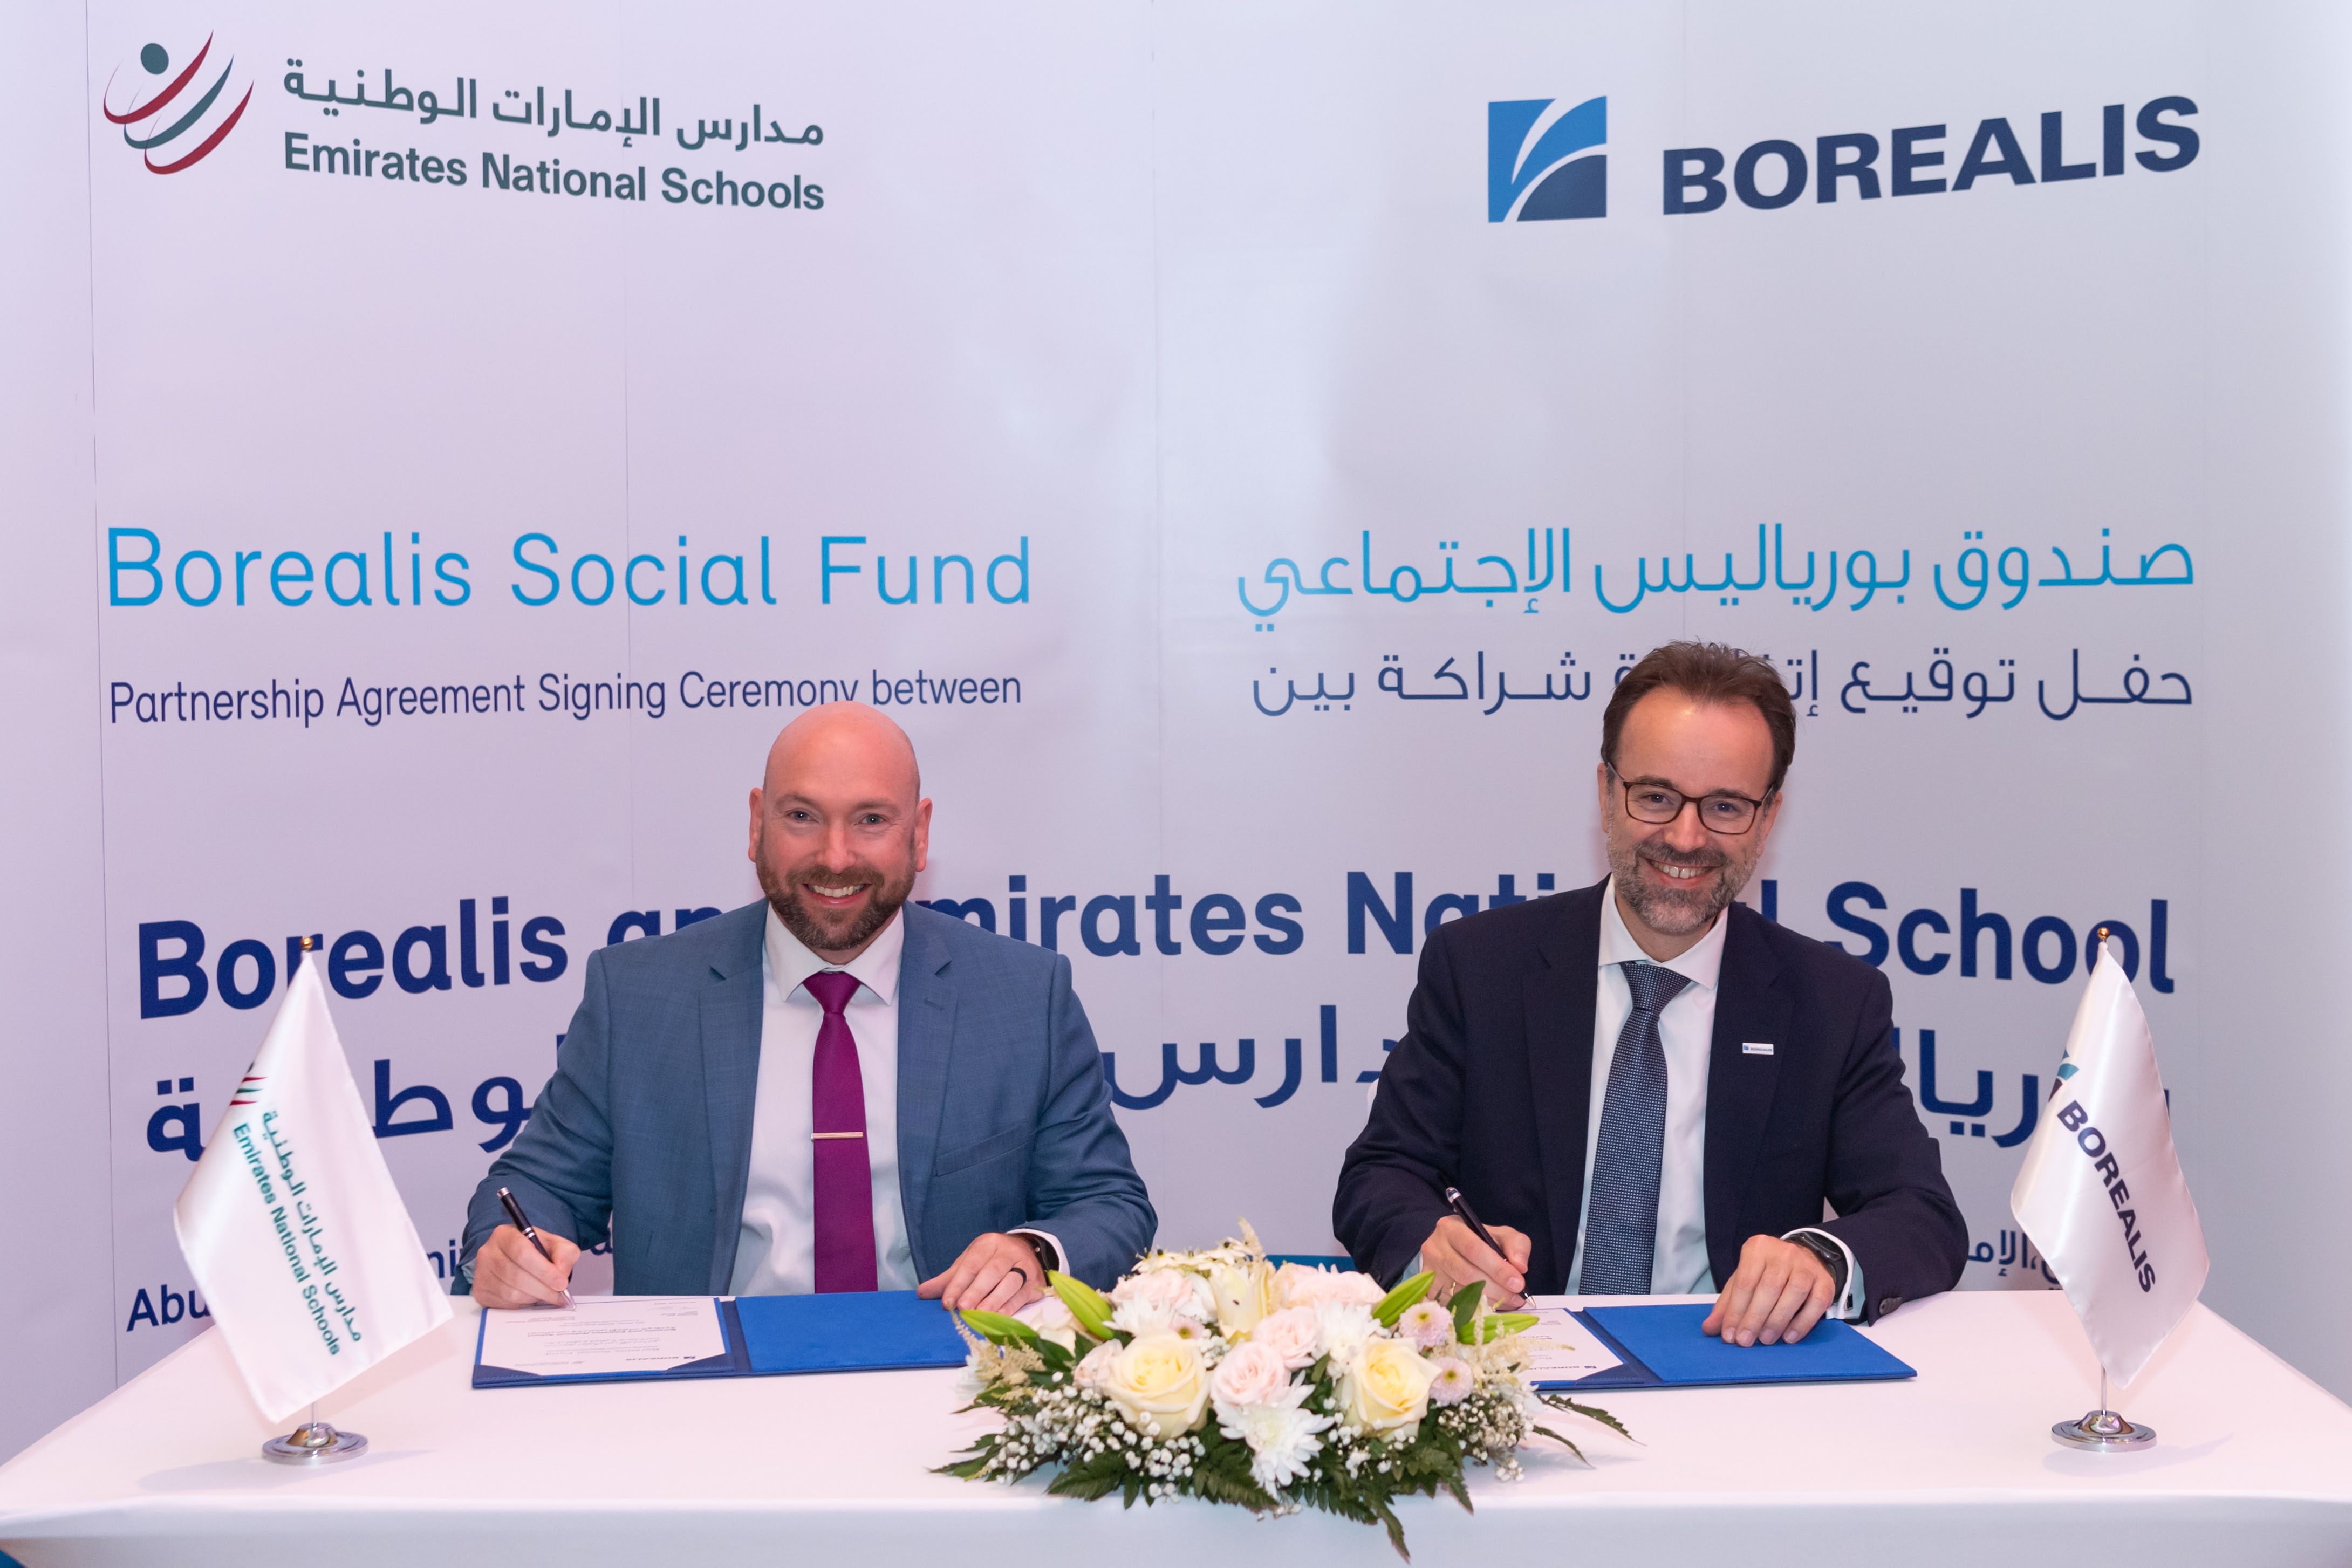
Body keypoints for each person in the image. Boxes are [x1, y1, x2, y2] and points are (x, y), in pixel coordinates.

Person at [1334, 641, 1964, 1347]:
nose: (1686, 838)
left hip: (1736, 1369)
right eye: (1656, 797)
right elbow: (1380, 1176)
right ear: (1607, 795)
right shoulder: (1481, 968)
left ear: (1767, 819)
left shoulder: (1832, 1002)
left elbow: (1923, 1216)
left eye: (1725, 806)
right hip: (1518, 1361)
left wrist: (1820, 1258)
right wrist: (1432, 1245)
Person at [460, 702, 1156, 1313]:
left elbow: (1109, 1206)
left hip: (948, 1381)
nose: (835, 856)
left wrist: (1034, 1251)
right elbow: (535, 1187)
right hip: (705, 1390)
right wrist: (510, 1251)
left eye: (871, 820)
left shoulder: (1023, 996)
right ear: (756, 823)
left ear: (919, 835)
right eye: (802, 817)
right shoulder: (639, 995)